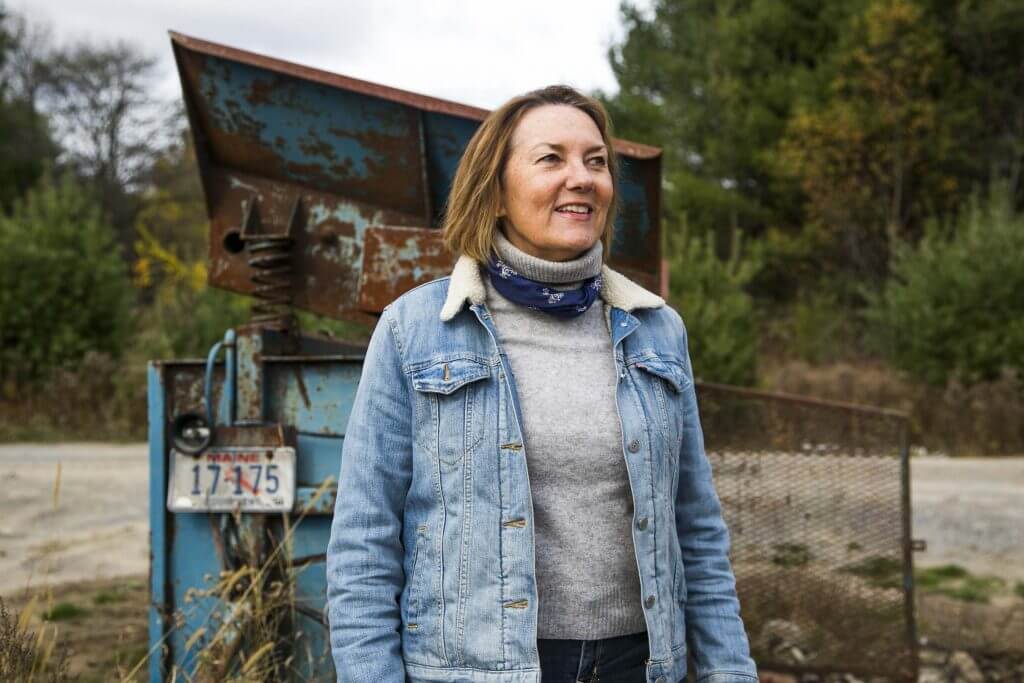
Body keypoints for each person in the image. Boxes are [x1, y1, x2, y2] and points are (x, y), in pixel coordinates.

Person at [326, 85, 758, 683]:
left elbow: (698, 533)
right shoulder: (417, 330)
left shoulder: (658, 331)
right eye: (551, 158)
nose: (581, 178)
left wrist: (730, 672)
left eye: (596, 161)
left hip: (639, 667)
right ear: (496, 191)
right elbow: (364, 543)